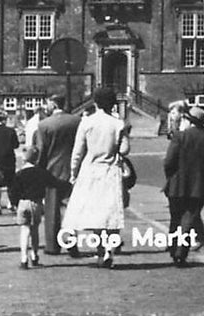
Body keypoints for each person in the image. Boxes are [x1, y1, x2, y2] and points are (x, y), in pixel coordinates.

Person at [61, 87, 130, 269]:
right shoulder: (118, 124)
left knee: (94, 212)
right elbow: (125, 149)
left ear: (95, 102)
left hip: (90, 170)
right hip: (110, 170)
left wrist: (73, 172)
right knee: (110, 212)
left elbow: (77, 151)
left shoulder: (87, 122)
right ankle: (107, 249)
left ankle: (101, 248)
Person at [163, 106, 204, 266]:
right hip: (197, 187)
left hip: (177, 185)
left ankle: (173, 248)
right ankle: (180, 253)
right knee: (188, 219)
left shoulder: (179, 136)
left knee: (175, 218)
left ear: (188, 121)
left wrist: (171, 178)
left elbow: (169, 161)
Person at [34, 94, 81, 255]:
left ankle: (53, 246)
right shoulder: (76, 121)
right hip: (73, 170)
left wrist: (38, 171)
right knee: (71, 209)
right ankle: (72, 243)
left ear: (53, 104)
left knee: (52, 210)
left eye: (47, 103)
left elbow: (41, 151)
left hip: (51, 171)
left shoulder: (44, 125)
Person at [9, 146, 61, 269]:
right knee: (34, 231)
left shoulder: (19, 174)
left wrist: (15, 203)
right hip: (35, 203)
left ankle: (23, 258)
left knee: (24, 230)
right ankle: (34, 255)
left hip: (22, 203)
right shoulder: (41, 172)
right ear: (36, 158)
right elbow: (53, 183)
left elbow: (13, 191)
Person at [0, 112, 20, 215]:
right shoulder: (11, 131)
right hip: (9, 160)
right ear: (4, 120)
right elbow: (16, 145)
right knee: (10, 182)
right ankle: (10, 204)